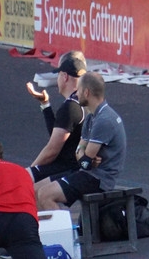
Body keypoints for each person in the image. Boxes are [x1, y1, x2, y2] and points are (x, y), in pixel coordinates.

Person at [37, 72, 127, 211]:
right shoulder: (91, 117)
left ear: (86, 92)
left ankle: (62, 225)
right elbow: (80, 153)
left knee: (45, 195)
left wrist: (84, 156)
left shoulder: (104, 120)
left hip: (99, 179)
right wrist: (83, 156)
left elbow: (85, 163)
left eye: (78, 90)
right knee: (36, 188)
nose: (76, 93)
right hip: (88, 173)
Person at [26, 51, 86, 184]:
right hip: (74, 165)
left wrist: (29, 171)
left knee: (26, 183)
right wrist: (45, 104)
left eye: (58, 74)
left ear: (65, 76)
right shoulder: (84, 100)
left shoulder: (70, 107)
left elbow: (52, 151)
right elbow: (57, 133)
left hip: (69, 167)